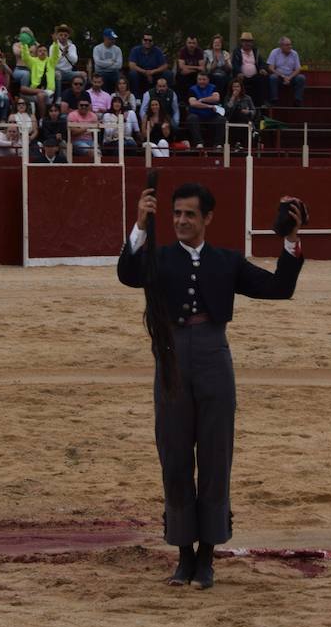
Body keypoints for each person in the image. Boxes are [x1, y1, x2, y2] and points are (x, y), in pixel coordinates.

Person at [117, 182, 304, 589]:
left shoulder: (226, 261)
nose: (182, 221)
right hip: (170, 359)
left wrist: (290, 239)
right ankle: (184, 557)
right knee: (175, 454)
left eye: (189, 215)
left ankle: (206, 559)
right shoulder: (158, 257)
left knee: (216, 454)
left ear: (207, 219)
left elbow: (280, 288)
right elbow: (127, 275)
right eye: (177, 214)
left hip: (214, 356)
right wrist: (140, 225)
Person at [185, 71, 223, 149]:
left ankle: (218, 144)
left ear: (208, 80)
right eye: (199, 79)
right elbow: (193, 103)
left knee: (222, 119)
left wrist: (202, 100)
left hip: (211, 115)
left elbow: (216, 98)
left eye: (204, 79)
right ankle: (199, 143)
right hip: (197, 114)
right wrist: (209, 106)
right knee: (191, 118)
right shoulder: (192, 89)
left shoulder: (213, 87)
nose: (201, 81)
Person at [265, 37, 306, 106]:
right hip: (279, 77)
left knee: (301, 78)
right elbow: (270, 68)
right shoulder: (274, 52)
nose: (290, 46)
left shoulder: (294, 53)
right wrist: (283, 76)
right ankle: (274, 100)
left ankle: (297, 101)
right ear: (281, 46)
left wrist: (289, 77)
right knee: (273, 77)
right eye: (287, 45)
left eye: (290, 44)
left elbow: (298, 69)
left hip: (291, 77)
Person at [128, 32, 169, 96]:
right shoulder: (135, 50)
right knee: (133, 74)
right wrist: (145, 72)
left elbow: (165, 65)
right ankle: (136, 97)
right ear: (142, 41)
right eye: (145, 40)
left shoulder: (157, 51)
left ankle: (166, 96)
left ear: (153, 42)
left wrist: (153, 72)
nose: (148, 42)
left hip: (154, 74)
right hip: (140, 73)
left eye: (150, 40)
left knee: (168, 74)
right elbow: (132, 66)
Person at [233, 32, 267, 106]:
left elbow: (261, 63)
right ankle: (240, 104)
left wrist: (262, 69)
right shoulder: (237, 52)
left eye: (249, 41)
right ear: (241, 42)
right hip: (242, 76)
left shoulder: (255, 51)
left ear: (252, 43)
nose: (247, 43)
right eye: (245, 41)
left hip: (255, 76)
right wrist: (238, 72)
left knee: (263, 79)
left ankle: (261, 104)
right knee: (237, 82)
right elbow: (235, 64)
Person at [49, 24, 79, 98]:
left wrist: (67, 53)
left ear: (68, 36)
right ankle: (58, 98)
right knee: (57, 74)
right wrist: (62, 54)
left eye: (65, 35)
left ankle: (79, 97)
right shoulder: (53, 47)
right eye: (61, 35)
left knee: (83, 75)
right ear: (57, 35)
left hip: (69, 72)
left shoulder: (72, 46)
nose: (63, 37)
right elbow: (52, 63)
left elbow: (75, 61)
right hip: (57, 71)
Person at [92, 28, 125, 93]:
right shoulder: (97, 48)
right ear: (105, 38)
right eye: (110, 39)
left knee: (121, 80)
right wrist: (111, 62)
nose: (112, 40)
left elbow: (119, 65)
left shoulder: (117, 49)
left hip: (114, 73)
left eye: (113, 39)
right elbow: (98, 63)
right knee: (101, 79)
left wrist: (104, 64)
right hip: (100, 72)